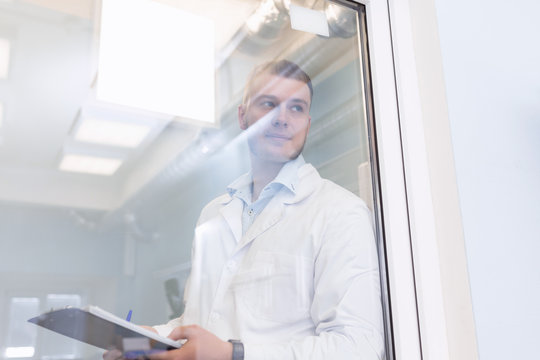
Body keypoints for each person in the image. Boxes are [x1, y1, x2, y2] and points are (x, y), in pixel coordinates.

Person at [111, 60, 385, 360]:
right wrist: (142, 342)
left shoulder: (340, 213)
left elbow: (358, 347)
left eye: (296, 108)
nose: (283, 118)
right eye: (269, 103)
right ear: (243, 117)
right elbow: (196, 322)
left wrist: (234, 354)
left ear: (307, 121)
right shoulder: (212, 215)